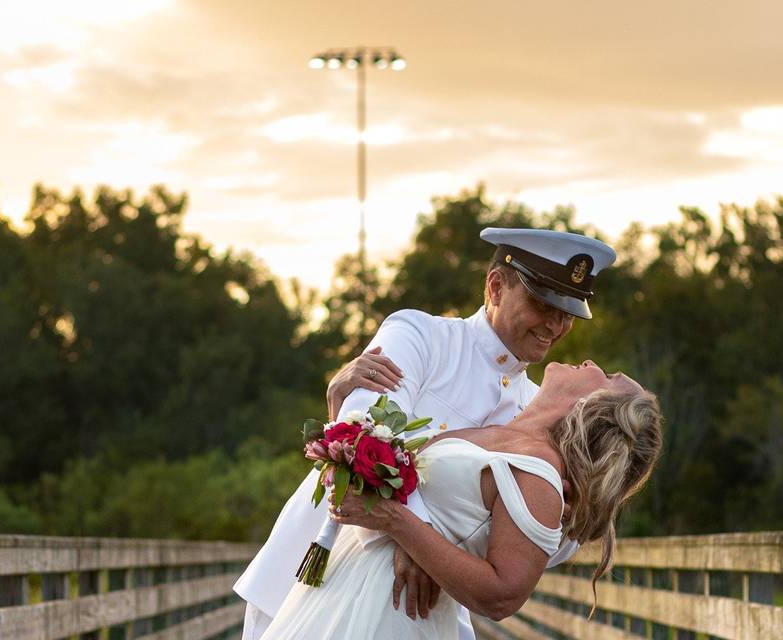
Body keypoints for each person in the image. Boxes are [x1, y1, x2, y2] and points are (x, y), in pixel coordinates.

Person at [234, 228, 618, 640]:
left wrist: (570, 514)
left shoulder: (541, 406)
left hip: (419, 612)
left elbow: (533, 546)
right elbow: (363, 433)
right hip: (311, 579)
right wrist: (417, 534)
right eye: (543, 304)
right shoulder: (419, 336)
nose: (555, 326)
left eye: (567, 315)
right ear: (495, 286)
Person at [260, 360, 663, 639]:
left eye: (606, 374)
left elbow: (503, 594)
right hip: (339, 591)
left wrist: (395, 521)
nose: (591, 362)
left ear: (594, 405)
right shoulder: (503, 433)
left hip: (389, 613)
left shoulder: (541, 474)